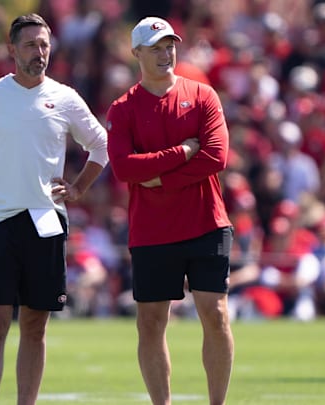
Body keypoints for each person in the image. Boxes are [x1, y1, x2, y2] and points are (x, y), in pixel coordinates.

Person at [0, 14, 108, 405]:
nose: (40, 52)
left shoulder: (64, 97)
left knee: (35, 326)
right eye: (30, 44)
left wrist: (80, 186)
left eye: (45, 44)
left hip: (47, 221)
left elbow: (101, 145)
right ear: (11, 50)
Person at [106, 16, 234, 405]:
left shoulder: (203, 95)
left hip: (205, 221)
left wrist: (159, 176)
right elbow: (125, 168)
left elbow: (215, 156)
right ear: (137, 54)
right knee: (150, 323)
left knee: (215, 315)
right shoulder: (124, 107)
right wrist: (180, 153)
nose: (166, 54)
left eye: (170, 46)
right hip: (152, 229)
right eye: (156, 47)